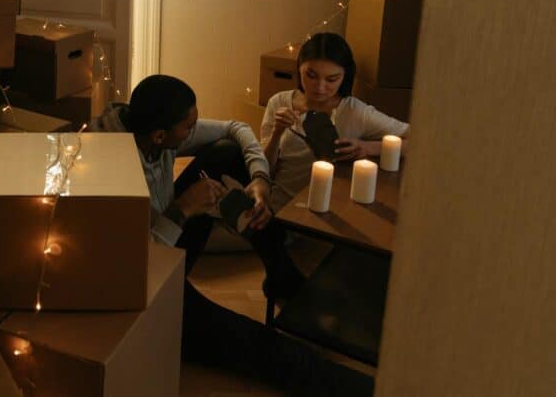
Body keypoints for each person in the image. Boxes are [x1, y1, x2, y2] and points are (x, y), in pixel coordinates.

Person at [91, 74, 374, 396]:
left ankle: (281, 277)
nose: (193, 132)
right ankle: (358, 388)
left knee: (227, 150)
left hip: (163, 241)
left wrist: (260, 179)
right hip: (141, 284)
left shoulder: (146, 128)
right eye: (188, 128)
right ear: (159, 135)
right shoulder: (106, 170)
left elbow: (235, 127)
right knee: (254, 344)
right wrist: (182, 209)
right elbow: (131, 269)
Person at [262, 32, 410, 213]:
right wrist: (277, 132)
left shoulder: (355, 112)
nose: (319, 87)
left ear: (345, 77)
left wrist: (367, 147)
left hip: (327, 212)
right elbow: (264, 171)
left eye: (331, 79)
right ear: (299, 68)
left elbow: (417, 142)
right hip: (278, 207)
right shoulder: (279, 103)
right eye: (311, 75)